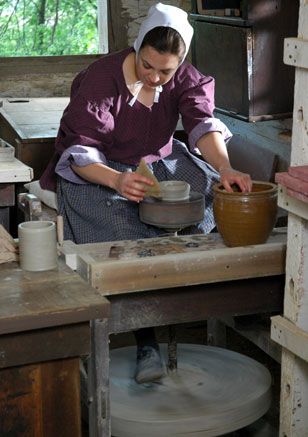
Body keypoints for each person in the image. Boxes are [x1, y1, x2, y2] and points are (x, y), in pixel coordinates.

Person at [40, 2, 252, 384]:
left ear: (181, 60)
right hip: (100, 170)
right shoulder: (101, 81)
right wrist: (118, 181)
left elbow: (203, 126)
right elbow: (80, 151)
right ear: (137, 48)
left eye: (165, 71)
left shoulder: (185, 77)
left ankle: (192, 307)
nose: (155, 78)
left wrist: (225, 168)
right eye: (147, 66)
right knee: (124, 235)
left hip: (160, 164)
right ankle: (146, 337)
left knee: (209, 199)